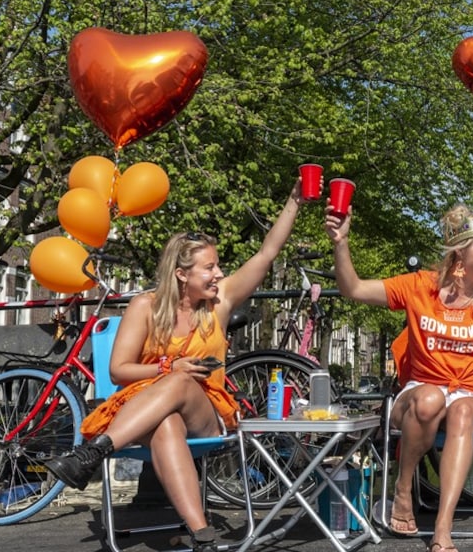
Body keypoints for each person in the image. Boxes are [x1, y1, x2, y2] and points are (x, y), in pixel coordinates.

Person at [45, 178, 318, 552]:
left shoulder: (218, 305)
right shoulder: (145, 307)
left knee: (184, 385)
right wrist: (166, 369)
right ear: (181, 274)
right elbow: (118, 371)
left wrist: (294, 201)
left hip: (207, 411)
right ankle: (203, 535)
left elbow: (266, 254)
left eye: (218, 265)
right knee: (167, 420)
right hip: (143, 413)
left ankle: (94, 453)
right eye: (209, 267)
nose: (219, 274)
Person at [325, 202, 473, 552]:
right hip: (419, 392)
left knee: (458, 410)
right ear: (460, 252)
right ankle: (402, 490)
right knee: (431, 399)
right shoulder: (419, 287)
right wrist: (340, 241)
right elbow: (353, 289)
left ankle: (442, 529)